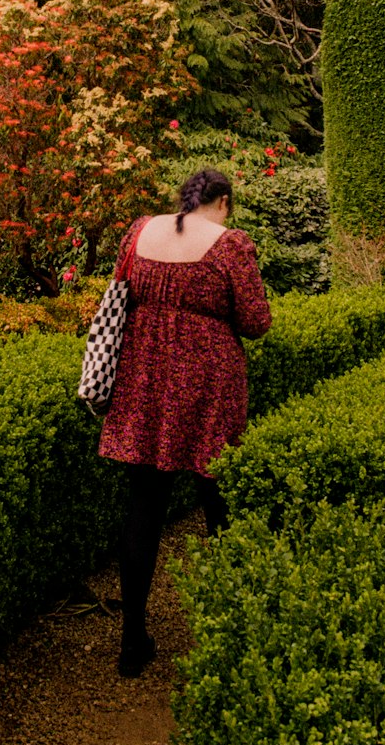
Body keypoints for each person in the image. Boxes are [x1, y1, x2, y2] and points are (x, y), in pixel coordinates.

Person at [98, 167, 272, 677]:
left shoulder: (140, 231)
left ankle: (132, 640)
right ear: (222, 201)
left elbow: (121, 293)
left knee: (144, 505)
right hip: (208, 386)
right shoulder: (230, 243)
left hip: (145, 379)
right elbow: (256, 322)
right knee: (218, 502)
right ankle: (227, 634)